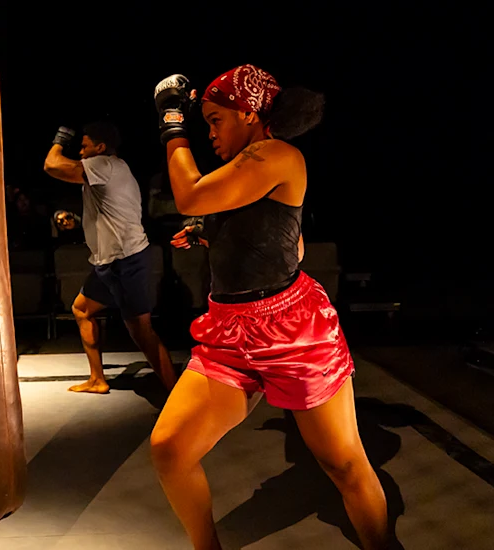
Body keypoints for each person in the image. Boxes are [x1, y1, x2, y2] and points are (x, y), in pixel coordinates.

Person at [147, 65, 391, 550]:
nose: (210, 133)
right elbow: (289, 246)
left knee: (344, 464)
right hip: (230, 330)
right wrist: (214, 232)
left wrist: (172, 120)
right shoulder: (250, 166)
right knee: (170, 449)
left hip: (291, 330)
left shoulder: (278, 153)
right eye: (204, 123)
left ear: (249, 113)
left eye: (216, 120)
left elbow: (190, 195)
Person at [43, 121, 178, 394]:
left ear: (100, 148)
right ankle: (97, 379)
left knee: (141, 331)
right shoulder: (110, 172)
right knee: (82, 310)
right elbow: (111, 214)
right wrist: (76, 221)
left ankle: (176, 392)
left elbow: (51, 165)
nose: (80, 152)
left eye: (84, 146)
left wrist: (60, 140)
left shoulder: (105, 165)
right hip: (110, 263)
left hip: (124, 261)